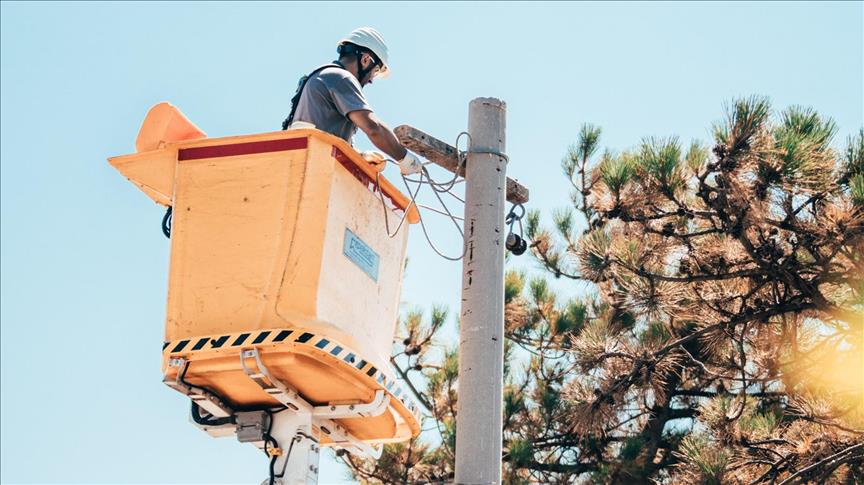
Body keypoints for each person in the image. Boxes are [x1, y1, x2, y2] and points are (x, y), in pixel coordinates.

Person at [283, 27, 422, 175]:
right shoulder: (340, 77)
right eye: (375, 72)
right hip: (313, 167)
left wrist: (358, 155)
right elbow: (374, 128)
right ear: (365, 59)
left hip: (301, 164)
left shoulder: (325, 76)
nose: (371, 81)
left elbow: (323, 129)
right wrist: (405, 158)